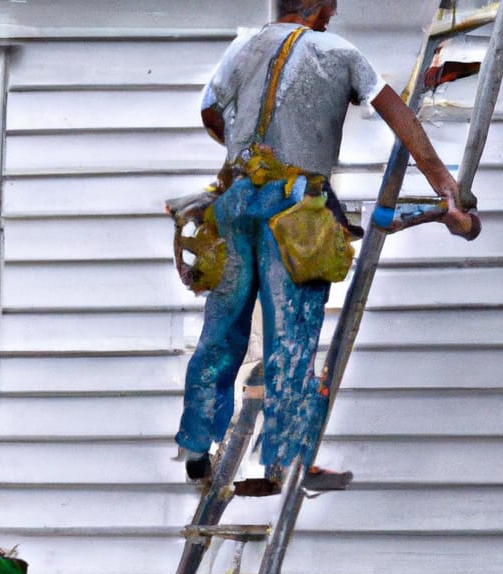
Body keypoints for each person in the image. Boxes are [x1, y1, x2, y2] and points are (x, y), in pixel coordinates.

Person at [175, 0, 475, 492]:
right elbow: (397, 115)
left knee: (222, 327)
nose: (333, 16)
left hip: (232, 200)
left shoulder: (243, 46)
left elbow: (210, 111)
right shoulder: (338, 51)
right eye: (330, 8)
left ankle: (195, 450)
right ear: (314, 8)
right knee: (290, 333)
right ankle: (285, 461)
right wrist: (443, 180)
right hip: (294, 212)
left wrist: (247, 156)